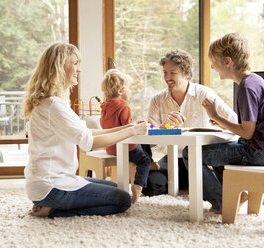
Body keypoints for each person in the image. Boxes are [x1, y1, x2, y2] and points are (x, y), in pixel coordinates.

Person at [23, 43, 148, 218]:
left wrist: (128, 127)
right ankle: (52, 210)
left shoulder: (54, 103)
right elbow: (90, 143)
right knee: (123, 199)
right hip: (51, 186)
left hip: (53, 181)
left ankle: (49, 205)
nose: (79, 70)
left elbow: (88, 132)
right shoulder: (53, 106)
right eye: (75, 63)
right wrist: (133, 132)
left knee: (117, 187)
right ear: (59, 67)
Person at [182, 33, 264, 213]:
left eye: (213, 61)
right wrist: (224, 124)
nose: (211, 66)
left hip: (255, 154)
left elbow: (247, 133)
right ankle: (235, 195)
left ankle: (223, 202)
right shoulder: (254, 81)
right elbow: (249, 128)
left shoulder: (247, 88)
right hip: (263, 151)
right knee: (219, 148)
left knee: (190, 153)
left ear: (227, 61)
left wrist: (216, 116)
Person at [142, 49, 237, 197]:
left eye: (172, 73)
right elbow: (149, 137)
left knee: (222, 183)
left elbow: (234, 121)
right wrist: (164, 127)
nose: (167, 77)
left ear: (186, 74)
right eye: (165, 72)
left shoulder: (204, 94)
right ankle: (190, 182)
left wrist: (218, 122)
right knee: (149, 185)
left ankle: (193, 182)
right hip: (174, 159)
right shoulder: (157, 100)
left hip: (202, 159)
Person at [100, 69, 160, 204]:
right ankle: (138, 186)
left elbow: (115, 126)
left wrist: (134, 124)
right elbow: (129, 129)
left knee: (143, 145)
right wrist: (138, 127)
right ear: (120, 91)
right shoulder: (124, 106)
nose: (130, 91)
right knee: (143, 160)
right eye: (128, 88)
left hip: (111, 147)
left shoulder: (104, 106)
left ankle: (151, 163)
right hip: (126, 148)